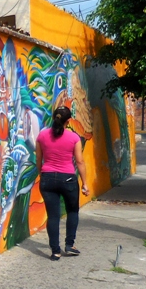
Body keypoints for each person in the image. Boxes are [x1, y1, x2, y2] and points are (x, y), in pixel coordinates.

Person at [35, 106, 90, 261]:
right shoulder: (74, 137)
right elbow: (79, 161)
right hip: (68, 179)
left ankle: (55, 251)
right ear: (69, 120)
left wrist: (42, 174)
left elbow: (38, 159)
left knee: (53, 216)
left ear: (54, 118)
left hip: (47, 178)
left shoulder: (42, 135)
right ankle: (69, 245)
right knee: (72, 211)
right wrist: (85, 183)